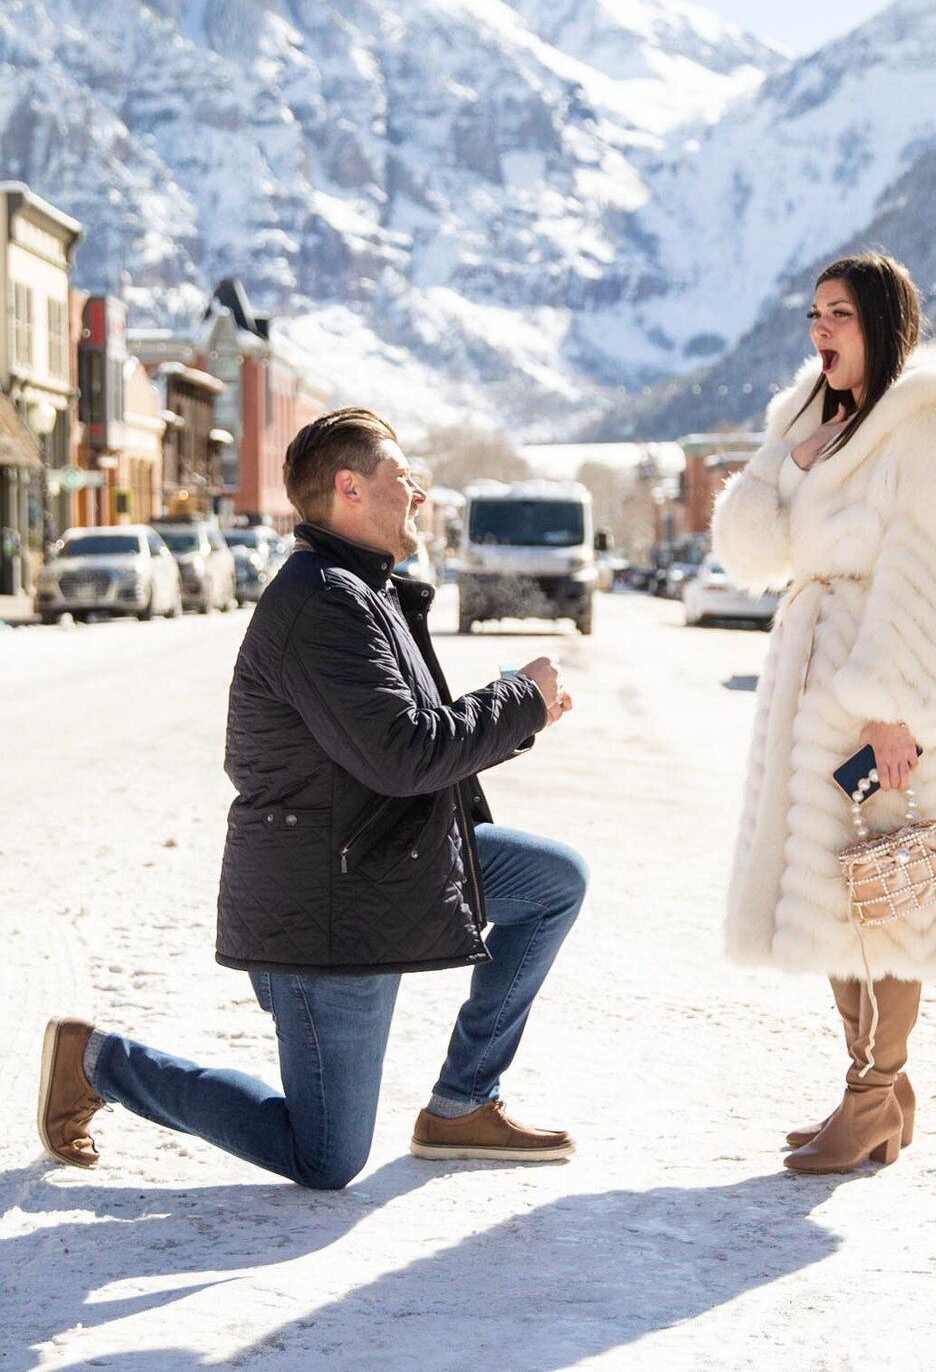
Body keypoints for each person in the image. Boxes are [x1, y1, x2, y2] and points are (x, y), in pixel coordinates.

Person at [38, 408, 588, 1188]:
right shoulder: (325, 602)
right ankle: (98, 1063)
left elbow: (409, 740)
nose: (421, 494)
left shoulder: (368, 591)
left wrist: (513, 709)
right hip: (329, 893)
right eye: (404, 478)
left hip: (381, 854)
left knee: (552, 881)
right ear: (350, 488)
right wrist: (520, 701)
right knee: (324, 1156)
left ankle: (463, 1103)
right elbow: (405, 754)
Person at [712, 252, 936, 1175]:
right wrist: (786, 452)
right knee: (834, 888)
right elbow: (753, 552)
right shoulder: (817, 416)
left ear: (885, 320)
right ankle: (877, 1091)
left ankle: (871, 1097)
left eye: (839, 314)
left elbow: (933, 575)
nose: (820, 331)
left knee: (887, 894)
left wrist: (894, 710)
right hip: (814, 673)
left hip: (891, 677)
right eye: (813, 314)